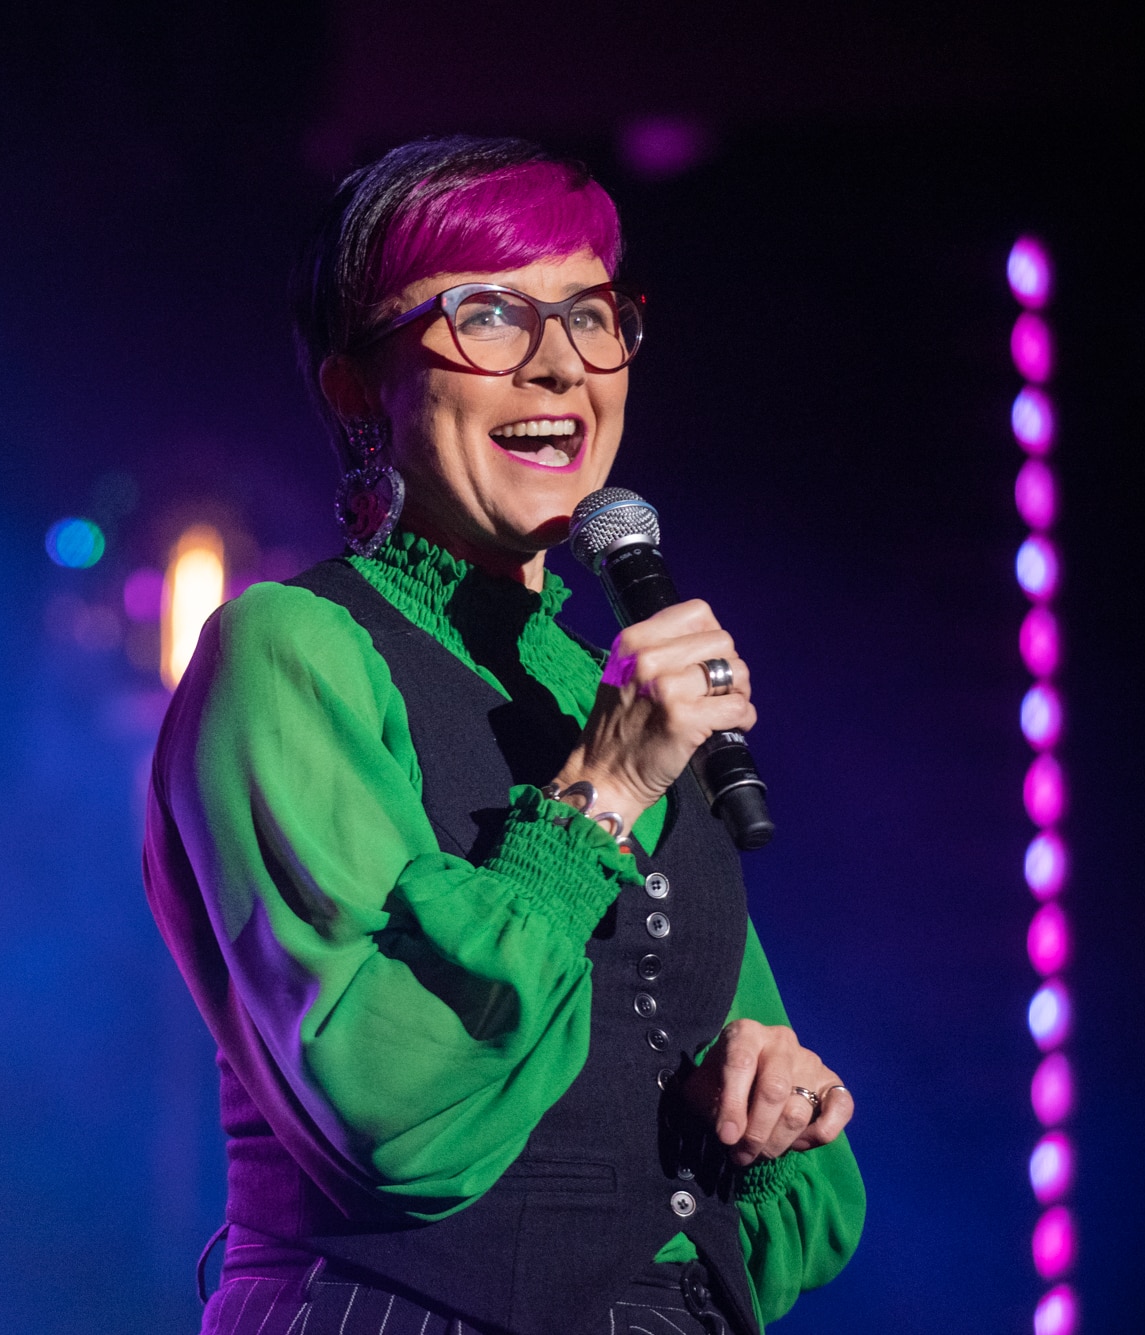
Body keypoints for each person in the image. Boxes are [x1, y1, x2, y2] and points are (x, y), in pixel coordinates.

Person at [143, 136, 864, 1335]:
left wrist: (757, 1103)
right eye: (488, 317)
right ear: (354, 387)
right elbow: (389, 1111)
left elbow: (810, 1220)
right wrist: (605, 787)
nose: (556, 368)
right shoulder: (292, 648)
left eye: (590, 317)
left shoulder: (608, 686)